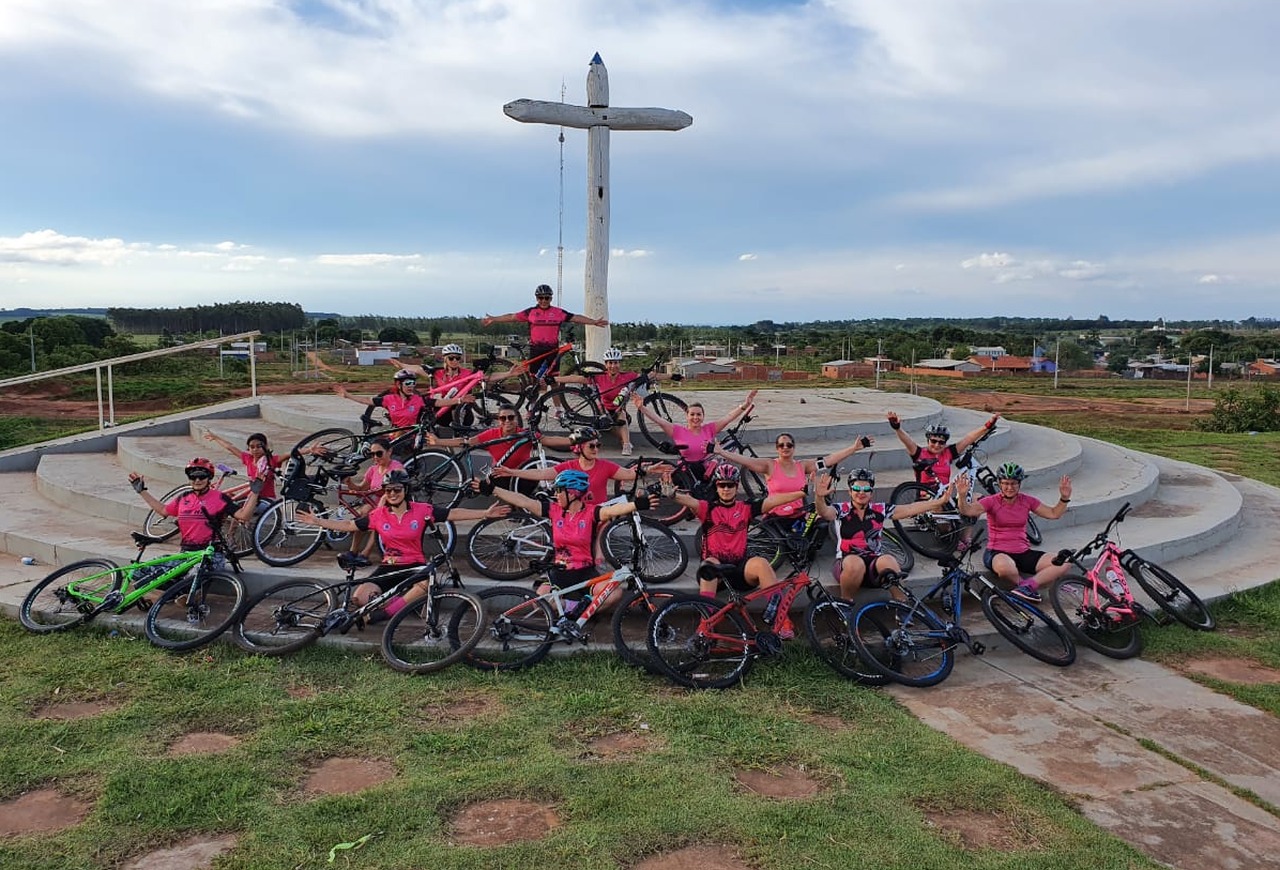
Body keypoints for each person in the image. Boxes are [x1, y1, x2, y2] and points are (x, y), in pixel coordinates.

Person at [295, 469, 507, 615]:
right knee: (359, 599)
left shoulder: (422, 510)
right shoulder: (378, 515)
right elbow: (350, 525)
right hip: (389, 566)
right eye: (388, 490)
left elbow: (453, 513)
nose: (392, 493)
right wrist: (318, 521)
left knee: (426, 584)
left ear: (406, 490)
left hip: (414, 565)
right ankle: (401, 604)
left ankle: (386, 612)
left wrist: (484, 513)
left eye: (397, 489)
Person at [667, 464, 806, 637]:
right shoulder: (708, 508)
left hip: (739, 570)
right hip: (715, 574)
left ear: (737, 486)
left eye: (730, 485)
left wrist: (801, 493)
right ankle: (705, 624)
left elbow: (773, 501)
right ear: (716, 486)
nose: (726, 489)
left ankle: (783, 621)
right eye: (722, 485)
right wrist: (672, 494)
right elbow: (690, 501)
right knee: (710, 563)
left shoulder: (746, 507)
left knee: (761, 564)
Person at [483, 468, 644, 616]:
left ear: (572, 493)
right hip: (558, 572)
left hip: (586, 572)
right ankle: (574, 608)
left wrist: (636, 505)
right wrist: (494, 489)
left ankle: (574, 610)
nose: (555, 494)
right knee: (540, 602)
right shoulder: (554, 510)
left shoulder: (591, 512)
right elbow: (524, 501)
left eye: (559, 490)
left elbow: (611, 510)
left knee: (615, 593)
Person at [816, 468, 953, 599]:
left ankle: (902, 603)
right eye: (856, 488)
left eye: (866, 489)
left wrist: (939, 502)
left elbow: (909, 509)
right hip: (848, 566)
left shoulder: (879, 509)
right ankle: (846, 602)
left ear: (871, 492)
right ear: (850, 491)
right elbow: (825, 512)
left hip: (872, 568)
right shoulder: (842, 509)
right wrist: (819, 497)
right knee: (855, 563)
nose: (861, 492)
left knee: (888, 560)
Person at [956, 462, 1072, 602]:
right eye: (1005, 483)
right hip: (997, 552)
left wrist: (1064, 498)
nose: (1009, 487)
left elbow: (1054, 513)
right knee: (1006, 568)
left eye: (1013, 483)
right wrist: (961, 496)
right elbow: (967, 511)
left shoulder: (1027, 501)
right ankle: (1024, 585)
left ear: (1019, 484)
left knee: (1065, 562)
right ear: (999, 483)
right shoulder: (991, 501)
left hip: (1023, 552)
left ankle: (1027, 587)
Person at [714, 430, 874, 522]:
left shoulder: (802, 466)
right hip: (775, 516)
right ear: (777, 448)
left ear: (794, 447)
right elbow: (745, 460)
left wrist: (853, 448)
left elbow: (828, 460)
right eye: (781, 445)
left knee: (822, 521)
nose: (785, 447)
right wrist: (722, 452)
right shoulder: (769, 465)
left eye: (789, 445)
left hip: (798, 514)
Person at [491, 426, 647, 506]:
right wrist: (512, 472)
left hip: (598, 514)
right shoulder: (569, 466)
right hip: (576, 514)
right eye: (591, 446)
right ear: (579, 448)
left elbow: (629, 474)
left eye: (598, 445)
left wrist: (648, 470)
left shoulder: (605, 466)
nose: (596, 449)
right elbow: (542, 474)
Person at [128, 458, 261, 550]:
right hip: (186, 552)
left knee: (191, 577)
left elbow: (243, 516)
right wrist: (142, 492)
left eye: (202, 476)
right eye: (193, 477)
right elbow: (163, 510)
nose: (197, 480)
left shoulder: (220, 498)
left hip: (210, 553)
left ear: (209, 478)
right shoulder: (184, 498)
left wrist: (254, 493)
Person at [632, 389, 758, 480]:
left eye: (699, 414)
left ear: (703, 417)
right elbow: (659, 420)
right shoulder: (678, 431)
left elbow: (728, 417)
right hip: (686, 472)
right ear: (687, 416)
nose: (695, 417)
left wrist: (745, 405)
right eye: (692, 414)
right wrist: (642, 408)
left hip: (706, 471)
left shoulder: (709, 429)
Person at [481, 283, 608, 370]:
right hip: (536, 349)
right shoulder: (530, 312)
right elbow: (512, 317)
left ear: (551, 298)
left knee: (553, 380)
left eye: (546, 298)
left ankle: (556, 403)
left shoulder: (558, 312)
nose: (543, 300)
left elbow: (576, 317)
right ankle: (533, 401)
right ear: (536, 298)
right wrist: (494, 319)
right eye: (540, 298)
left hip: (552, 350)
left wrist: (593, 322)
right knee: (535, 380)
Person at [886, 411, 1000, 488]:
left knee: (977, 499)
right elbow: (907, 441)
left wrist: (987, 426)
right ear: (928, 441)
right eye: (933, 441)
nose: (937, 445)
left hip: (944, 496)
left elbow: (968, 439)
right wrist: (897, 428)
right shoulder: (920, 453)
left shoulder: (948, 453)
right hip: (926, 497)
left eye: (941, 442)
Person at [388, 344, 477, 429]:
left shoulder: (467, 373)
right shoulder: (438, 373)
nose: (455, 361)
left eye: (457, 358)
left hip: (461, 409)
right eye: (451, 358)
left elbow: (482, 378)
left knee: (458, 409)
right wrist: (401, 365)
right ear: (445, 359)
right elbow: (418, 369)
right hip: (443, 407)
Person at [335, 369, 429, 429]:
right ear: (398, 384)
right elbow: (367, 400)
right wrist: (347, 395)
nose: (411, 386)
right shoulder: (389, 399)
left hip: (410, 435)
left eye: (413, 383)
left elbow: (436, 403)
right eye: (408, 383)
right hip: (395, 434)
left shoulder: (418, 399)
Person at [202, 430, 283, 499]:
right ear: (249, 448)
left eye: (259, 446)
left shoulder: (271, 460)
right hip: (252, 497)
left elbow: (288, 455)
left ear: (266, 446)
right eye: (252, 447)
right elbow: (230, 447)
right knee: (227, 497)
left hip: (266, 500)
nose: (255, 450)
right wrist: (216, 438)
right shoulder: (248, 459)